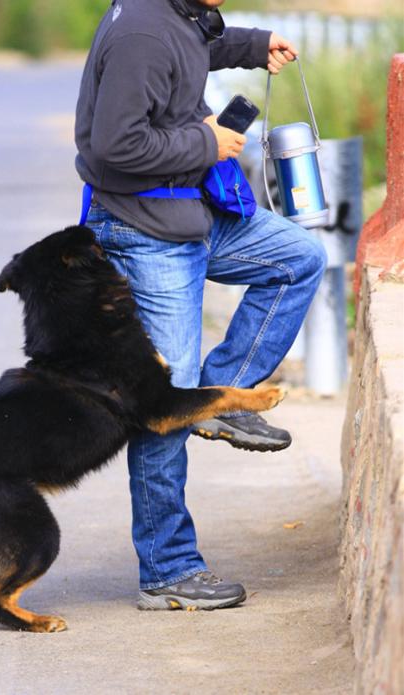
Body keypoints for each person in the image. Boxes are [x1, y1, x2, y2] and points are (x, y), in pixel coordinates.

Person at [74, 0, 326, 610]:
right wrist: (203, 141)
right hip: (144, 225)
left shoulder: (174, 15)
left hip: (190, 210)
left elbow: (192, 51)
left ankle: (222, 395)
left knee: (297, 259)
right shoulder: (141, 31)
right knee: (169, 393)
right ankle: (167, 570)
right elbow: (115, 146)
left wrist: (252, 42)